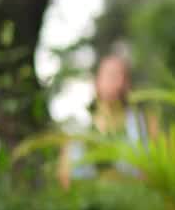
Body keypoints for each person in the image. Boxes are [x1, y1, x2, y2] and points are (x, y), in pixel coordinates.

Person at [58, 53, 154, 188]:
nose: (119, 82)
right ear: (97, 82)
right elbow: (65, 178)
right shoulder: (77, 131)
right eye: (111, 75)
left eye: (124, 77)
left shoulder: (144, 124)